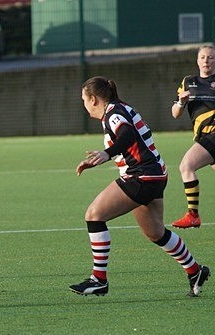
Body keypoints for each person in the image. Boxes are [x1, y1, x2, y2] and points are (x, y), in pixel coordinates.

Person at [71, 76, 209, 297]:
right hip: (155, 175)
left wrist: (106, 153)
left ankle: (99, 279)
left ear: (94, 100)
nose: (84, 105)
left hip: (141, 176)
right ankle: (195, 270)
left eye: (84, 100)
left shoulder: (113, 113)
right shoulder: (118, 108)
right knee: (155, 232)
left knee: (94, 215)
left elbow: (127, 135)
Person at [170, 45, 215, 228]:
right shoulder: (188, 82)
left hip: (212, 136)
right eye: (203, 57)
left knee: (186, 165)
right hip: (202, 138)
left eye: (211, 58)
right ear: (197, 61)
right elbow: (175, 113)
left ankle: (193, 215)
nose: (206, 61)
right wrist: (181, 102)